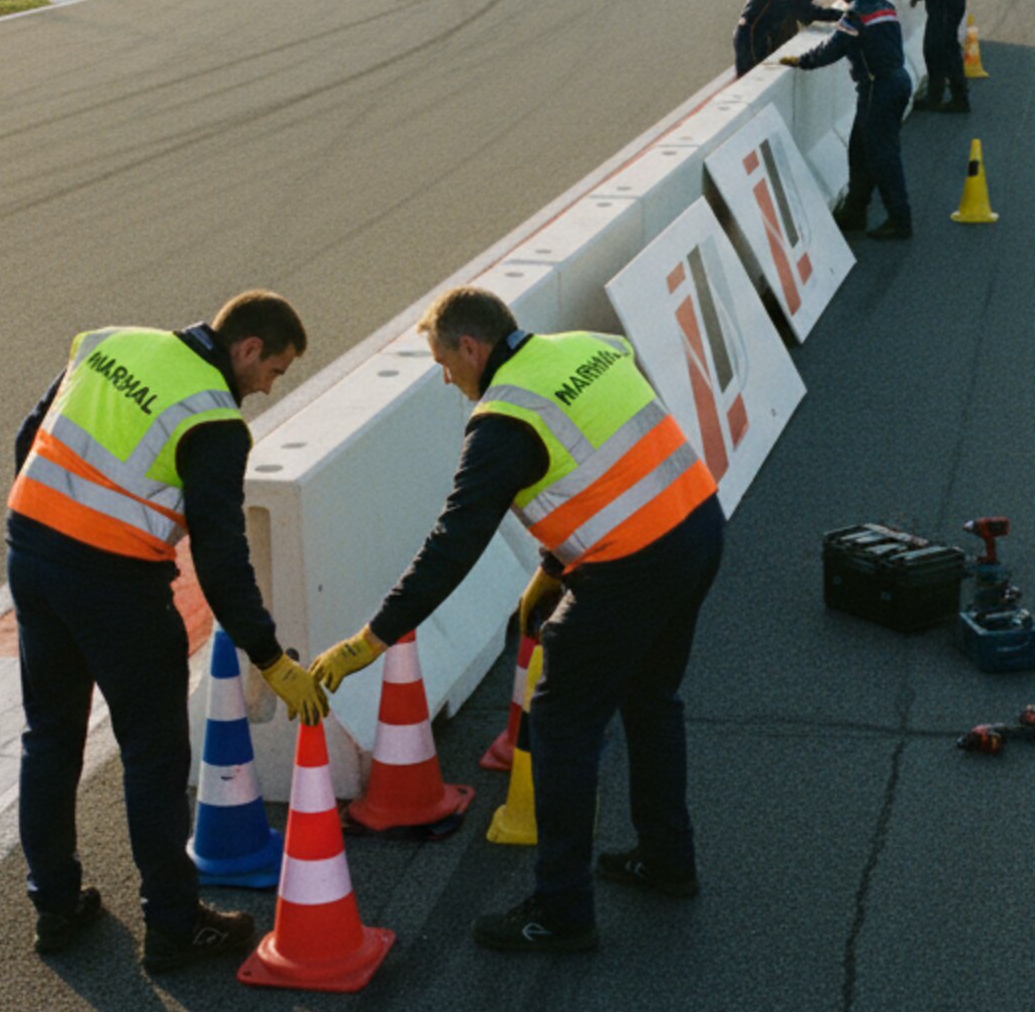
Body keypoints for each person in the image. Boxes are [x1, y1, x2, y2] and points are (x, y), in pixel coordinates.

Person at [310, 288, 726, 955]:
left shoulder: (503, 420)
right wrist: (556, 567)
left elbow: (453, 544)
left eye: (444, 362)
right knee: (652, 698)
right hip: (697, 526)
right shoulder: (586, 347)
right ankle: (668, 857)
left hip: (631, 567)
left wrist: (372, 639)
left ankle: (562, 912)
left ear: (472, 349)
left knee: (561, 722)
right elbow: (603, 461)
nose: (446, 379)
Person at [7, 290, 330, 971]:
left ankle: (55, 906)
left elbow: (26, 438)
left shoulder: (109, 341)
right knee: (154, 757)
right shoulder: (213, 420)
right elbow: (220, 556)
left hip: (32, 554)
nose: (269, 388)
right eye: (274, 371)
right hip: (117, 588)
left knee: (50, 735)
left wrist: (53, 533)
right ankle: (174, 925)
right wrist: (269, 656)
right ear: (247, 349)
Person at [776, 0, 914, 239]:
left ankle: (899, 220)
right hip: (898, 81)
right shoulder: (886, 7)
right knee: (860, 151)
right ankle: (856, 212)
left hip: (879, 88)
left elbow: (833, 49)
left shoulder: (855, 14)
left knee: (882, 156)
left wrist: (803, 61)